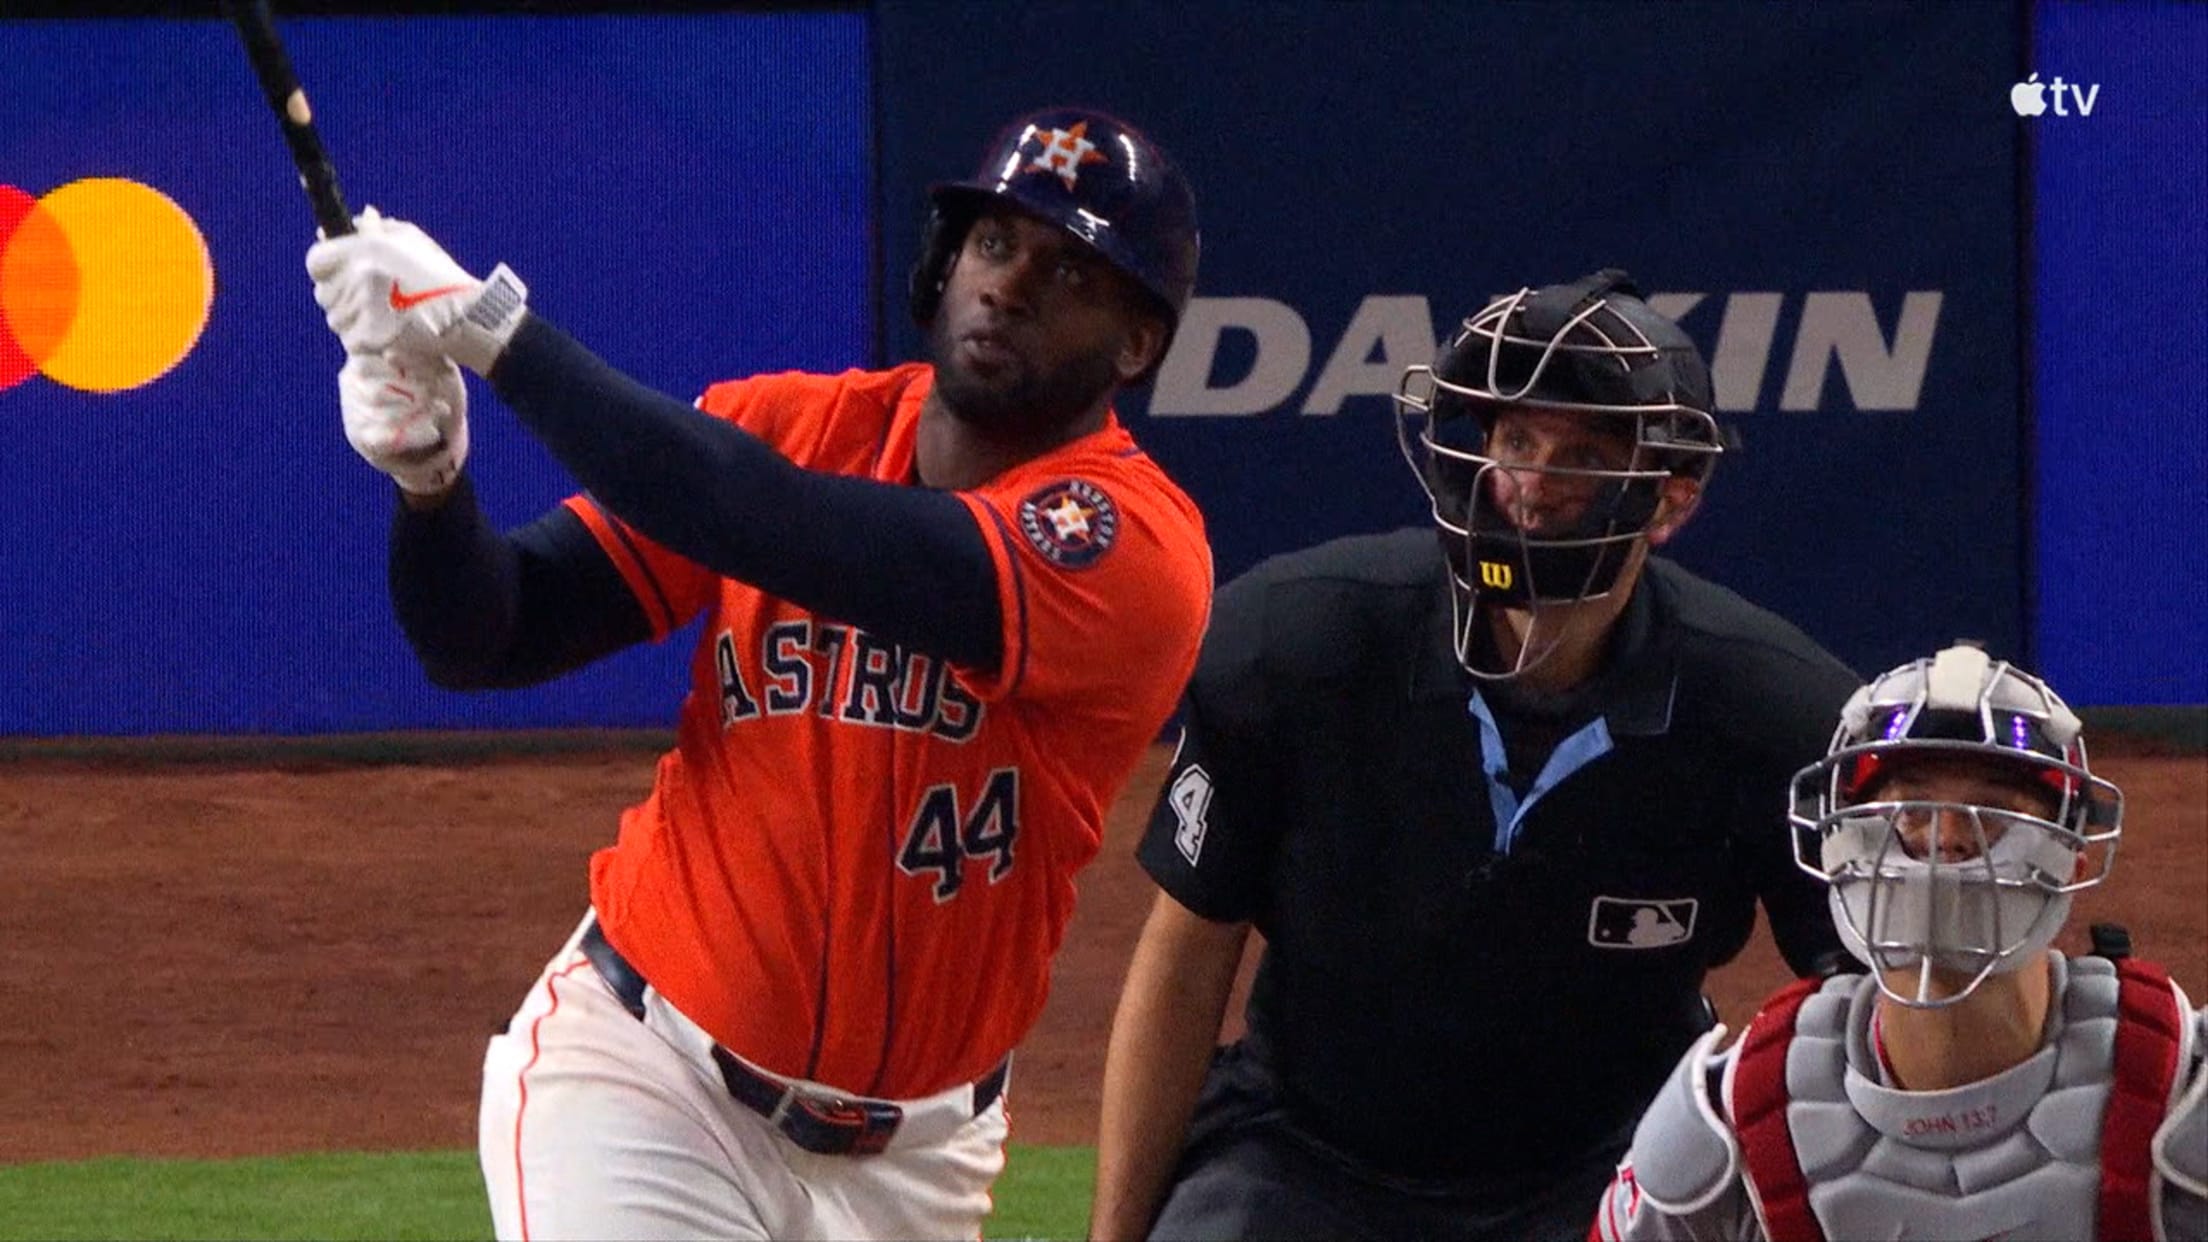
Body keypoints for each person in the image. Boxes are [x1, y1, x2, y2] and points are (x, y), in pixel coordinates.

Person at [303, 107, 1212, 1241]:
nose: (1011, 286)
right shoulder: (794, 424)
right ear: (947, 261)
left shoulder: (1128, 548)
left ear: (1136, 344)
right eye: (995, 243)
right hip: (647, 1083)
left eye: (1069, 271)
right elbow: (493, 635)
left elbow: (770, 520)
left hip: (919, 1165)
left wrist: (496, 332)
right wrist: (429, 483)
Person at [1089, 270, 1863, 1242]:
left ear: (1673, 501)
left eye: (1584, 456)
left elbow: (1862, 1005)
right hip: (1304, 1153)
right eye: (1516, 442)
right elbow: (1188, 953)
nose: (1533, 485)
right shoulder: (1297, 642)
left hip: (1615, 1162)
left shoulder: (1769, 710)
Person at [1592, 642, 2207, 1241]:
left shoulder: (2182, 1094)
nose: (1946, 840)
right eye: (1908, 810)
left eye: (1993, 812)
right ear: (1838, 846)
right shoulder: (1736, 1122)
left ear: (2071, 862)